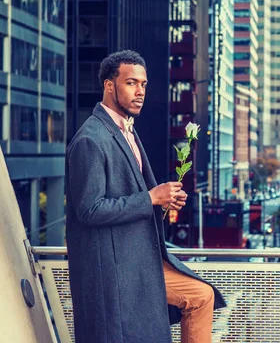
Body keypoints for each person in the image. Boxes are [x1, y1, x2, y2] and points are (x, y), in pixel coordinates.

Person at [66, 50, 226, 343]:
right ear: (109, 86)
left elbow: (132, 194)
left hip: (141, 257)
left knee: (202, 296)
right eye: (131, 83)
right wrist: (151, 198)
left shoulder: (126, 131)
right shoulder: (91, 140)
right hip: (115, 268)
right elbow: (89, 210)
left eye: (143, 84)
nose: (140, 91)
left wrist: (164, 201)